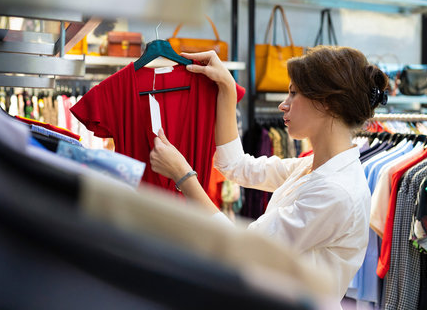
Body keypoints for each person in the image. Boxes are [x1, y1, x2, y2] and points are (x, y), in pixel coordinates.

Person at [149, 45, 389, 305]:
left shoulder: (335, 191)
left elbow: (243, 249)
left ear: (327, 103)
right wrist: (228, 88)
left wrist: (184, 178)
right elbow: (236, 166)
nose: (283, 105)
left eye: (293, 94)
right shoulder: (312, 167)